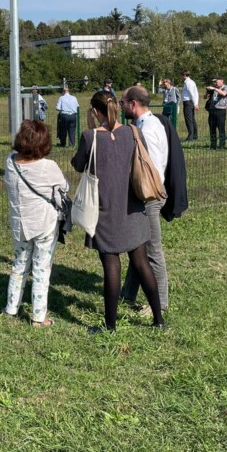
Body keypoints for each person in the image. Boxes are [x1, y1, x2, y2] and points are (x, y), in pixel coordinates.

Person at [71, 90, 165, 330]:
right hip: (133, 207)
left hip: (104, 210)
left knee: (111, 266)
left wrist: (91, 128)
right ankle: (158, 320)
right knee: (142, 262)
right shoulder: (134, 132)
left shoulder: (89, 137)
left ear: (95, 111)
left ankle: (110, 326)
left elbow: (78, 164)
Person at [3, 120, 69, 327]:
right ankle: (38, 317)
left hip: (20, 223)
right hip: (44, 224)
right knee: (41, 269)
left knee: (19, 265)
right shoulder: (48, 167)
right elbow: (63, 188)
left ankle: (11, 308)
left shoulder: (10, 162)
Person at [118, 87, 173, 314]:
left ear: (133, 104)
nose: (120, 107)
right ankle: (127, 295)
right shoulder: (148, 124)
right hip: (150, 193)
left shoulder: (147, 129)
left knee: (152, 251)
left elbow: (148, 168)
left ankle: (159, 303)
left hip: (149, 195)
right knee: (137, 245)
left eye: (122, 103)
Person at [205, 77, 227, 149]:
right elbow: (205, 97)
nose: (215, 83)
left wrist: (215, 89)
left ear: (221, 81)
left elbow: (224, 94)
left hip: (220, 110)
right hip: (212, 110)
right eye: (214, 82)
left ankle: (222, 145)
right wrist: (207, 92)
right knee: (212, 128)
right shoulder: (213, 88)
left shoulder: (225, 87)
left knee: (221, 128)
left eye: (216, 82)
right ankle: (213, 145)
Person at [180, 72, 199, 141]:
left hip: (188, 102)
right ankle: (194, 135)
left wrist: (195, 103)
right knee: (192, 119)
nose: (181, 77)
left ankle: (190, 136)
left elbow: (192, 93)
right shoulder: (191, 82)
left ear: (184, 75)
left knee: (189, 120)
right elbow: (195, 93)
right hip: (189, 102)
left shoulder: (188, 83)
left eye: (181, 75)